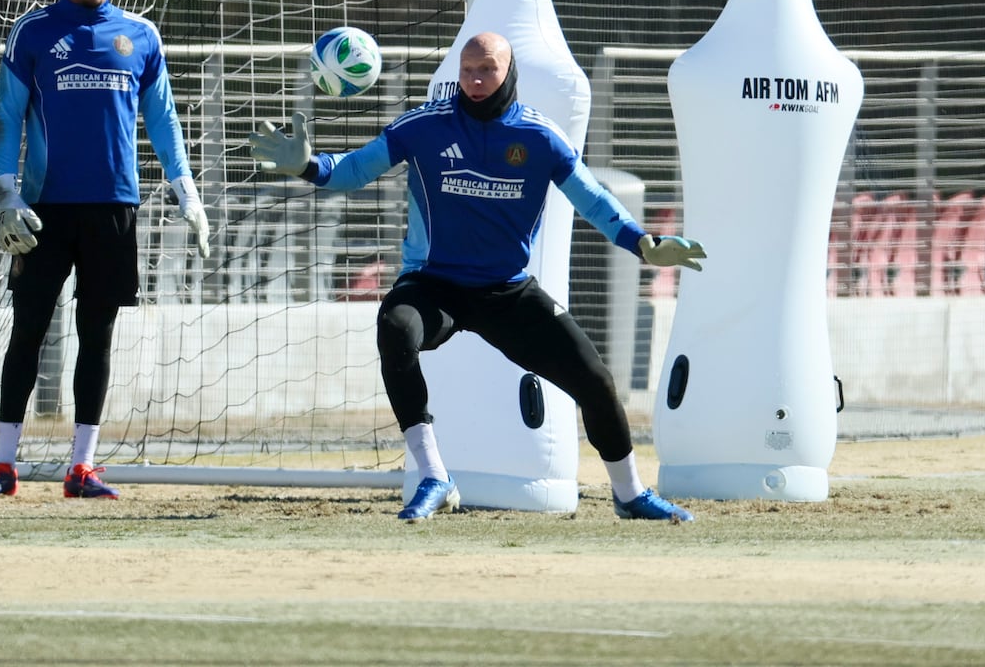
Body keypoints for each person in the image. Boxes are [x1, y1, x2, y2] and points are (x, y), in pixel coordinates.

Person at [248, 32, 705, 522]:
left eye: (486, 69)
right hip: (433, 284)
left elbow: (591, 197)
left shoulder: (539, 136)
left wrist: (642, 243)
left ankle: (631, 494)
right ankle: (432, 476)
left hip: (507, 290)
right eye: (467, 70)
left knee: (594, 379)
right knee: (395, 327)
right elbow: (355, 170)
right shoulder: (424, 126)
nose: (475, 80)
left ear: (509, 73)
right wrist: (309, 167)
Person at [0, 0, 210, 501]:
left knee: (96, 336)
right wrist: (6, 190)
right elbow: (6, 116)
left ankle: (82, 467)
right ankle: (3, 466)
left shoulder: (141, 37)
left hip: (113, 210)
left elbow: (164, 120)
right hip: (43, 211)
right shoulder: (33, 32)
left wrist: (188, 193)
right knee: (26, 331)